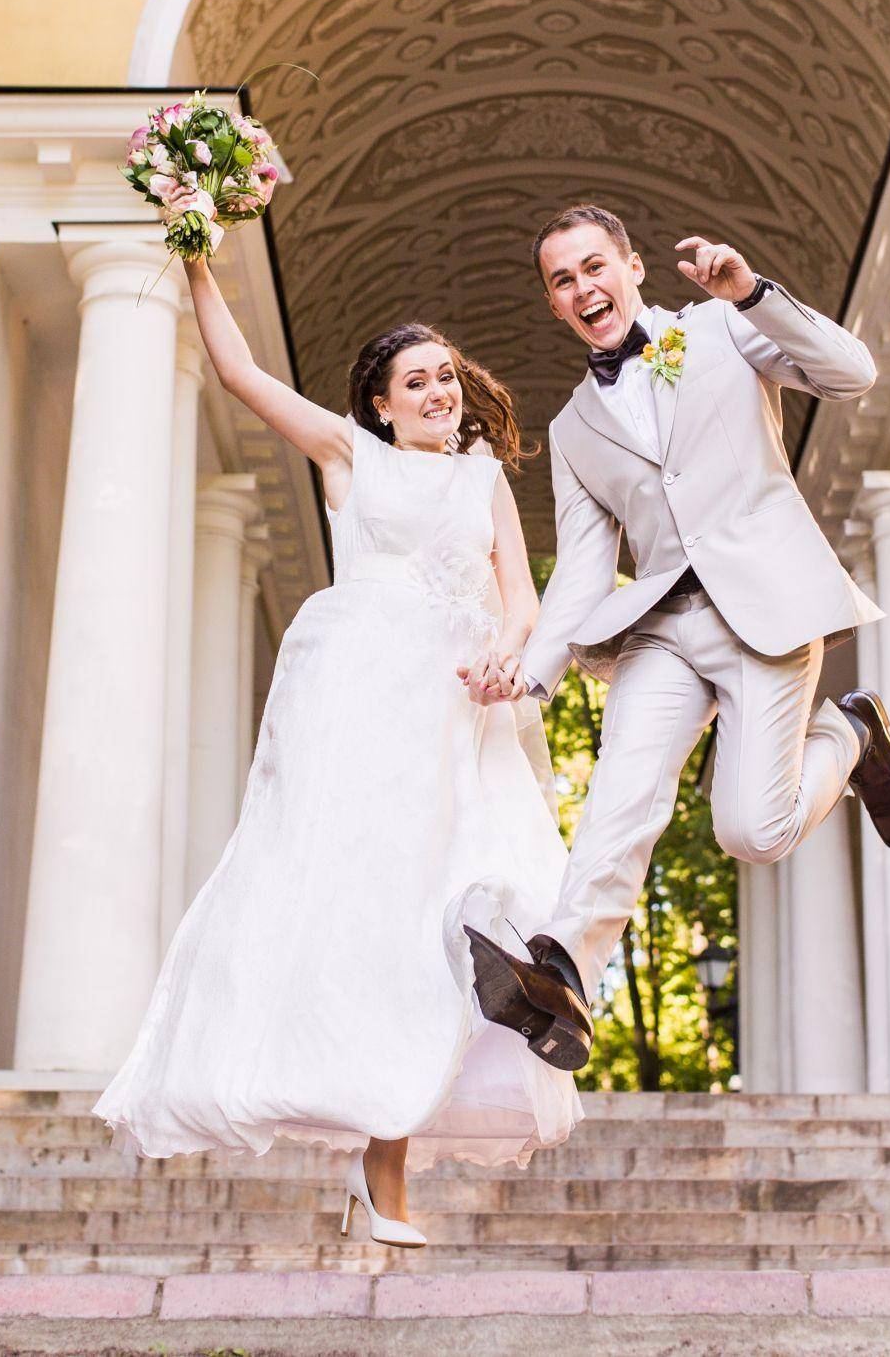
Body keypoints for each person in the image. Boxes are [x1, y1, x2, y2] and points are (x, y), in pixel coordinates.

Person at [93, 254, 580, 1250]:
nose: (440, 392)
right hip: (359, 701)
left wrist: (506, 644)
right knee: (367, 909)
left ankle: (407, 1137)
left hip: (456, 706)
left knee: (459, 903)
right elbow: (239, 375)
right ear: (378, 403)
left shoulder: (484, 478)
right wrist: (197, 260)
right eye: (418, 381)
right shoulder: (350, 459)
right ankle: (379, 1169)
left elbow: (519, 592)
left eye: (447, 375)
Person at [463, 205, 890, 1073]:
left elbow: (851, 372)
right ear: (555, 306)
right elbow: (585, 573)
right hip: (662, 625)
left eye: (594, 266)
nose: (582, 288)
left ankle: (851, 734)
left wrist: (748, 290)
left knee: (752, 830)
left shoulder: (722, 327)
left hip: (767, 607)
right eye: (562, 281)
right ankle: (563, 969)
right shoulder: (571, 431)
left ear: (632, 267)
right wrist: (533, 675)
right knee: (620, 794)